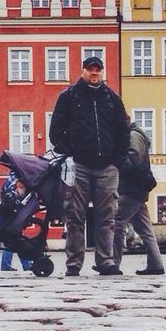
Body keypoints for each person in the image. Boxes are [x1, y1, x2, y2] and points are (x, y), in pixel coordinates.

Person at [48, 54, 130, 276]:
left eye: (98, 70)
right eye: (90, 69)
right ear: (83, 71)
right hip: (80, 166)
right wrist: (70, 153)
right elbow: (55, 131)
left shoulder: (112, 99)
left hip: (107, 167)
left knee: (107, 217)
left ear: (102, 72)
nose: (94, 73)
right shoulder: (68, 97)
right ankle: (73, 264)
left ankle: (106, 262)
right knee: (75, 217)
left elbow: (124, 131)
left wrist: (118, 160)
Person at [116, 117, 164, 276]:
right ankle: (156, 264)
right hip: (137, 188)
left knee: (118, 223)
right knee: (144, 229)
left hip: (132, 188)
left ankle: (112, 262)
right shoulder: (134, 135)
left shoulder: (133, 136)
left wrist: (116, 163)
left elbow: (133, 160)